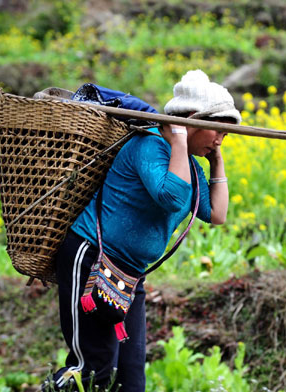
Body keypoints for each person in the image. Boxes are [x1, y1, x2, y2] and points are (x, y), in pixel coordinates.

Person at [43, 70, 241, 391]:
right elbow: (170, 196)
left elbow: (216, 213)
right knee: (93, 367)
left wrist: (216, 161)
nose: (220, 139)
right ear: (190, 120)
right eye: (217, 131)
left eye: (225, 135)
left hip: (128, 278)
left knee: (131, 379)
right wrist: (178, 139)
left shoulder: (189, 165)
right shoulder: (149, 145)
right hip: (91, 258)